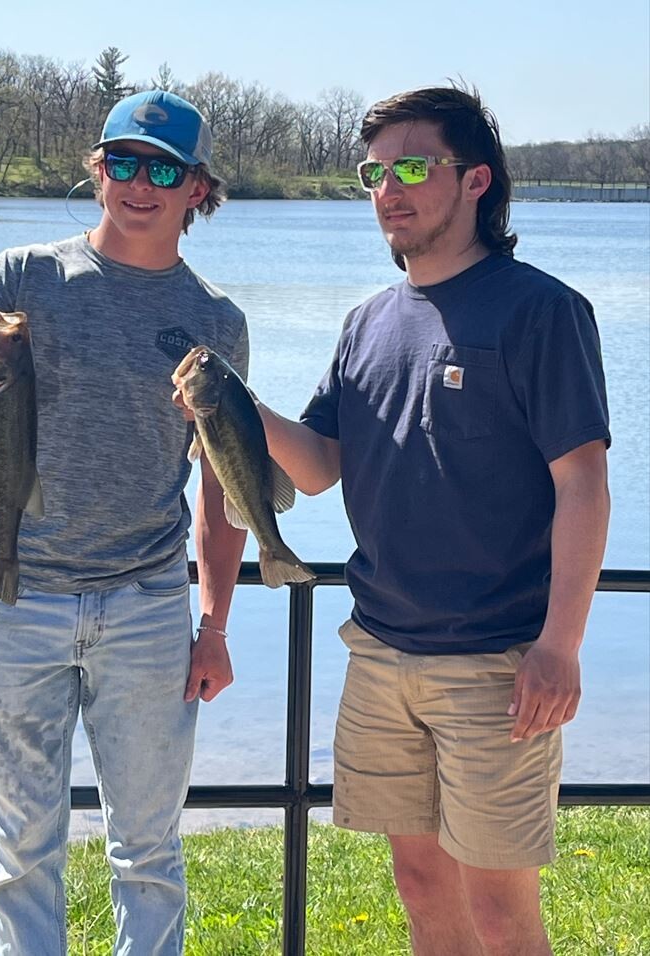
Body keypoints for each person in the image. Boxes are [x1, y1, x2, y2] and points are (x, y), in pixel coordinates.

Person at [251, 86, 611, 955]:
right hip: (378, 652)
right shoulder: (366, 321)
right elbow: (319, 464)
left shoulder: (540, 309)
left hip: (496, 665)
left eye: (413, 167)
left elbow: (583, 487)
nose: (388, 189)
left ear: (476, 179)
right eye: (372, 173)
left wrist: (559, 645)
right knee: (418, 890)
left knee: (500, 914)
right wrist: (231, 406)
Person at [0, 89, 247, 955]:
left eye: (163, 169)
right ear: (97, 170)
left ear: (196, 190)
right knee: (20, 851)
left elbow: (222, 487)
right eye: (123, 162)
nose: (140, 184)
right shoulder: (22, 274)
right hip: (13, 601)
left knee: (150, 852)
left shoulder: (217, 322)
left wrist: (212, 623)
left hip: (147, 610)